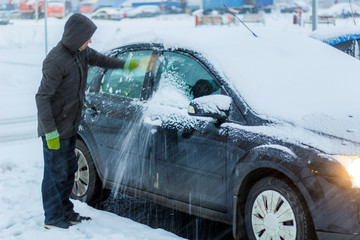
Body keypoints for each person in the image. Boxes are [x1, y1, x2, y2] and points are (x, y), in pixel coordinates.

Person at [35, 13, 139, 229]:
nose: (90, 40)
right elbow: (42, 97)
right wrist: (51, 131)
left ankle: (65, 211)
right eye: (87, 37)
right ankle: (53, 218)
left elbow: (102, 60)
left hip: (71, 126)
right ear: (76, 36)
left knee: (69, 171)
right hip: (55, 130)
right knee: (55, 175)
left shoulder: (80, 53)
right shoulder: (55, 61)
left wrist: (126, 65)